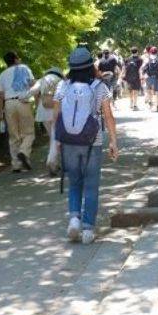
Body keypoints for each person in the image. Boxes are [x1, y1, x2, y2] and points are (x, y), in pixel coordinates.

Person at [54, 46, 119, 244]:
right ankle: (89, 230)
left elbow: (56, 116)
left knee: (75, 181)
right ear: (91, 65)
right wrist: (114, 141)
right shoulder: (100, 87)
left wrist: (56, 141)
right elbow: (108, 115)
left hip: (69, 141)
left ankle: (74, 219)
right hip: (93, 142)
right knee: (91, 185)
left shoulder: (63, 86)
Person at [0, 51, 35, 172]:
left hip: (9, 104)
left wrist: (0, 113)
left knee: (13, 135)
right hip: (23, 102)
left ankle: (16, 165)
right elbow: (33, 84)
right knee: (28, 132)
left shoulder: (2, 74)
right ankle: (23, 152)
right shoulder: (24, 68)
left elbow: (0, 96)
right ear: (16, 59)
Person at [27, 67, 65, 176]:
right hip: (57, 111)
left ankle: (55, 162)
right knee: (56, 137)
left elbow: (31, 91)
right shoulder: (61, 81)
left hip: (43, 112)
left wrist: (20, 98)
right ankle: (52, 160)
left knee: (52, 137)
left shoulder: (42, 80)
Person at [141, 46, 158, 112]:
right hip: (157, 77)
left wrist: (144, 76)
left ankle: (151, 104)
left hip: (149, 77)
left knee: (149, 91)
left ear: (150, 52)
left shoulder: (147, 59)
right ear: (157, 52)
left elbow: (142, 68)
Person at [121, 46, 143, 110]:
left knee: (130, 91)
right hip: (136, 77)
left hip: (128, 77)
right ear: (137, 51)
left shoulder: (127, 59)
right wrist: (141, 77)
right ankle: (135, 105)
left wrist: (122, 75)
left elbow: (124, 68)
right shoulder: (140, 59)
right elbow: (140, 69)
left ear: (131, 52)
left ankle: (131, 103)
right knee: (135, 91)